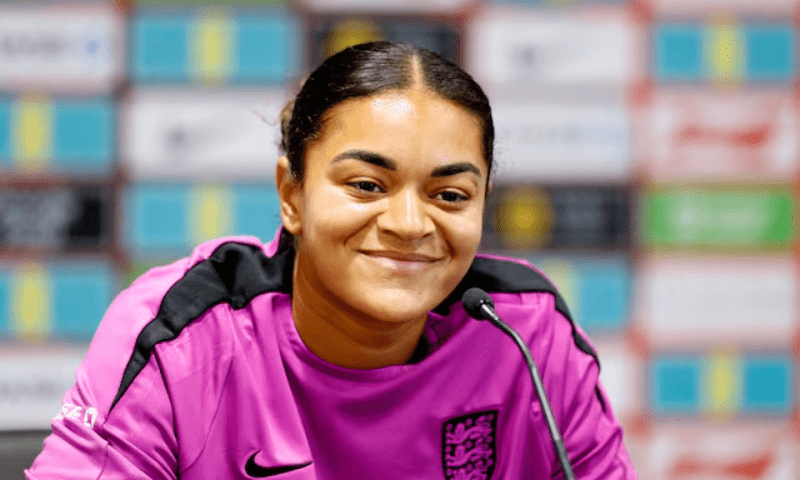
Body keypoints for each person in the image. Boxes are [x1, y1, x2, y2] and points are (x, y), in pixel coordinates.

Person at [26, 41, 637, 479]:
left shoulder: (528, 333)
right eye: (367, 186)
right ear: (292, 195)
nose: (408, 224)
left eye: (450, 195)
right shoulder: (178, 337)